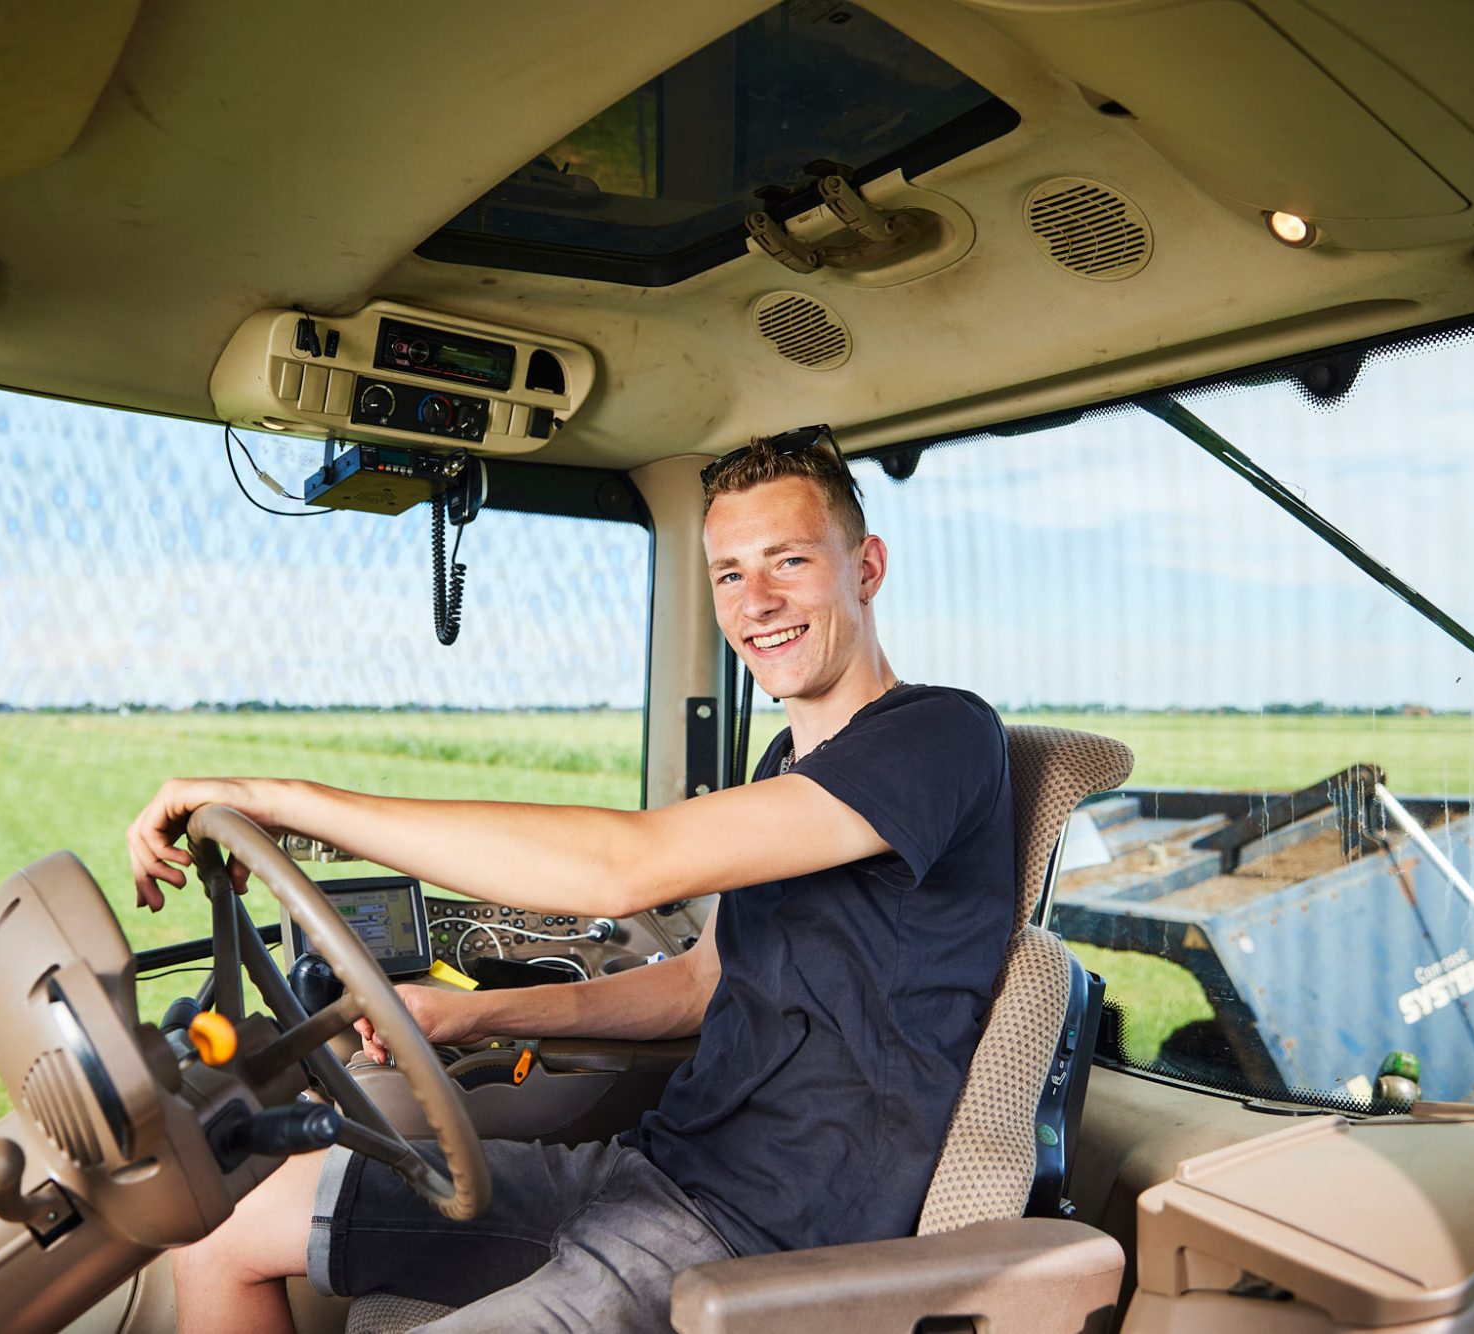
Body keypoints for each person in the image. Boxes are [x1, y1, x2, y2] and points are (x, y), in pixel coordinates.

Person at [127, 426, 1014, 1332]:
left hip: (756, 1245)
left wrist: (281, 799)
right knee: (221, 1223)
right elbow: (702, 983)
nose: (758, 600)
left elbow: (623, 868)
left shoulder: (940, 736)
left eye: (789, 560)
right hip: (649, 1174)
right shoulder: (786, 768)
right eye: (730, 574)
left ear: (866, 567)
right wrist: (472, 1014)